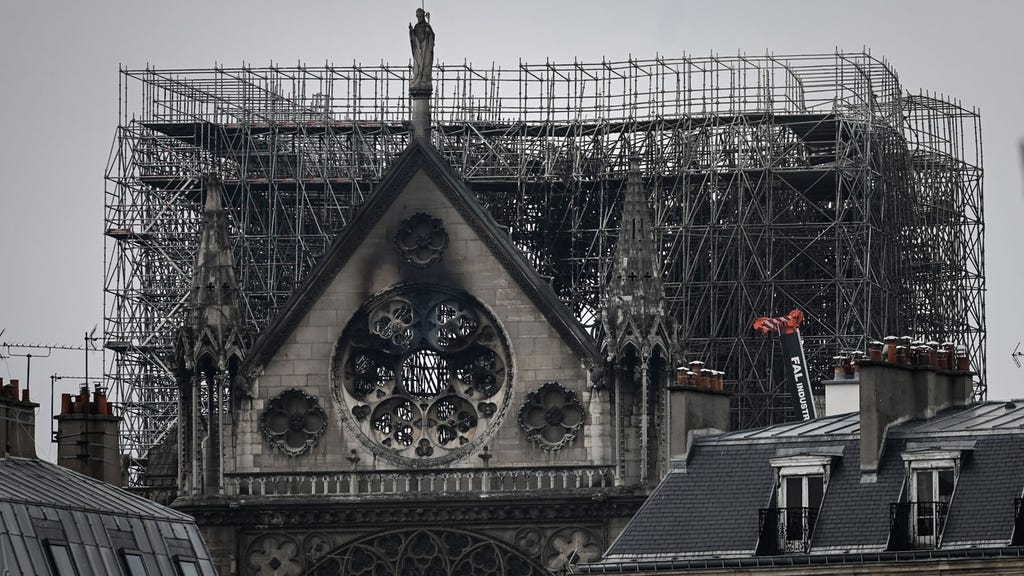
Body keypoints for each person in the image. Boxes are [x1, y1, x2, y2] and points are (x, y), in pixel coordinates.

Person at [409, 8, 434, 93]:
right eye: (418, 16)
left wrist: (429, 33)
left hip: (425, 49)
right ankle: (417, 78)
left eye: (420, 16)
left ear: (423, 16)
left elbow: (432, 39)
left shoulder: (427, 26)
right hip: (418, 50)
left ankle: (424, 78)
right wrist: (411, 31)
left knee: (426, 63)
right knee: (417, 64)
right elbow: (414, 39)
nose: (419, 18)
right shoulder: (416, 26)